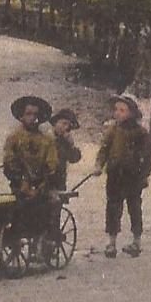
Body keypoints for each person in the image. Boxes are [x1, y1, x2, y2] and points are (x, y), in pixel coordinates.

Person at [95, 94, 151, 258]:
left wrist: (144, 174)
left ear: (131, 113)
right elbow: (104, 150)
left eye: (122, 110)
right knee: (113, 208)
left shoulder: (140, 133)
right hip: (114, 175)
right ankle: (111, 243)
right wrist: (99, 165)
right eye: (116, 110)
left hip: (133, 177)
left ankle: (136, 241)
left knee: (134, 208)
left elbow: (148, 156)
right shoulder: (113, 130)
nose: (118, 113)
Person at [2, 95, 59, 257]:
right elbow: (9, 164)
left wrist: (43, 184)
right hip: (20, 184)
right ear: (21, 116)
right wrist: (23, 184)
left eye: (36, 115)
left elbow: (51, 164)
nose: (32, 118)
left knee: (53, 202)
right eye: (28, 114)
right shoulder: (14, 138)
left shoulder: (46, 140)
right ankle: (18, 239)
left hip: (43, 184)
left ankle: (46, 239)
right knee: (20, 206)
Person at [45, 108, 83, 254]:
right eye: (63, 123)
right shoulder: (46, 138)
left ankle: (50, 246)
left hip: (58, 182)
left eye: (68, 125)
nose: (65, 127)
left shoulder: (65, 143)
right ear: (55, 123)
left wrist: (71, 145)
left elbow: (74, 158)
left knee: (55, 213)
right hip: (44, 180)